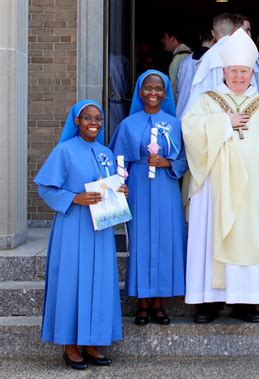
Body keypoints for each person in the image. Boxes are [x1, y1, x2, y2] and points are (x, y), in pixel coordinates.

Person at [182, 28, 259, 324]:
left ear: (251, 73)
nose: (238, 77)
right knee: (211, 241)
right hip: (215, 189)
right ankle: (209, 303)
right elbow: (191, 131)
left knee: (251, 238)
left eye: (243, 72)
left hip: (254, 192)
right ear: (225, 71)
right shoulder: (208, 101)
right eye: (233, 71)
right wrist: (223, 122)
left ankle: (248, 302)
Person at [34, 100, 125, 370]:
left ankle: (92, 343)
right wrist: (75, 198)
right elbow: (46, 189)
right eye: (87, 118)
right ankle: (70, 346)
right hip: (73, 227)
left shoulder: (106, 152)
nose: (94, 122)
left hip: (102, 230)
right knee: (72, 283)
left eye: (98, 118)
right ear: (76, 121)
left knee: (99, 282)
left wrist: (121, 193)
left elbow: (109, 185)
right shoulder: (64, 151)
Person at [109, 70, 187, 326]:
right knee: (141, 242)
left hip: (166, 187)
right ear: (140, 92)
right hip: (138, 186)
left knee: (166, 240)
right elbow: (118, 159)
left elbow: (187, 158)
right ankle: (142, 302)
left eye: (159, 89)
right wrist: (120, 184)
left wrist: (167, 162)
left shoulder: (175, 124)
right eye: (148, 88)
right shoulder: (128, 124)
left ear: (166, 93)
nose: (153, 93)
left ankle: (160, 303)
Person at [181, 13, 259, 117]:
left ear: (213, 33)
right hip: (248, 113)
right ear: (235, 30)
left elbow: (196, 96)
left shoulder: (208, 57)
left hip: (214, 118)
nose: (238, 76)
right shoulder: (245, 52)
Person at [175, 31, 214, 119]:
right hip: (201, 116)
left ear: (200, 38)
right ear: (215, 39)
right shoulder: (214, 61)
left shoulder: (185, 61)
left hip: (181, 111)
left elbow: (178, 89)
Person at [161, 31, 192, 98]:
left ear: (173, 39)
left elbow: (173, 87)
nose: (162, 40)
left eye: (165, 38)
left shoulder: (180, 57)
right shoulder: (188, 54)